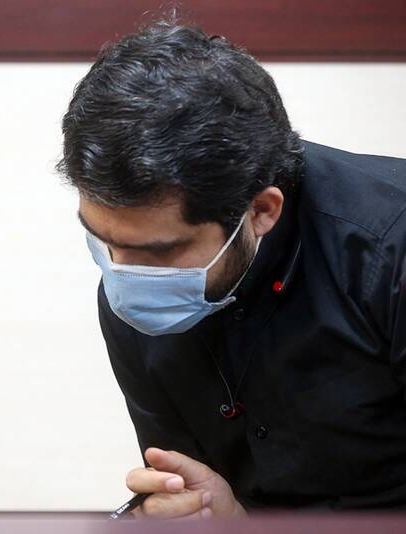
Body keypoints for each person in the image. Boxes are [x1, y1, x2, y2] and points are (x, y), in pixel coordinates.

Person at [58, 21, 406, 516]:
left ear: (261, 211)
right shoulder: (129, 292)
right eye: (104, 240)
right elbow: (195, 489)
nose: (124, 275)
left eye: (161, 252)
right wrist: (205, 512)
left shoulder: (388, 250)